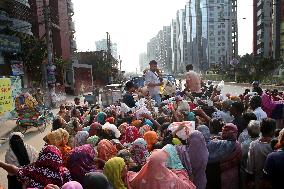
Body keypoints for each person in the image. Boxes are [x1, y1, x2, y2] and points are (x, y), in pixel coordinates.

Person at [0, 145, 72, 188]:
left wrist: (1, 164)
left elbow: (16, 170)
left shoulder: (33, 170)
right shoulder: (65, 172)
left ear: (42, 156)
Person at [129, 149, 196, 189]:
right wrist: (181, 173)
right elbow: (187, 187)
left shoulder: (142, 176)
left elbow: (131, 179)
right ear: (163, 163)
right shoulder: (172, 179)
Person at [246, 118, 276, 189]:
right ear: (272, 131)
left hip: (258, 181)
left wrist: (250, 181)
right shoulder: (276, 144)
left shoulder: (253, 145)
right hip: (272, 181)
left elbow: (250, 167)